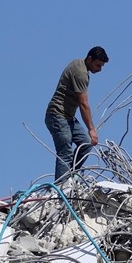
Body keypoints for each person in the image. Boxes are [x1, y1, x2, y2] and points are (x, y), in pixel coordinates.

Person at [45, 46, 109, 184]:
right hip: (57, 115)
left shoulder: (79, 64)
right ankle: (61, 186)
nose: (99, 69)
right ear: (90, 59)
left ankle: (72, 177)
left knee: (85, 144)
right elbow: (84, 104)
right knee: (66, 152)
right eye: (98, 65)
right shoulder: (80, 73)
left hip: (68, 117)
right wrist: (92, 129)